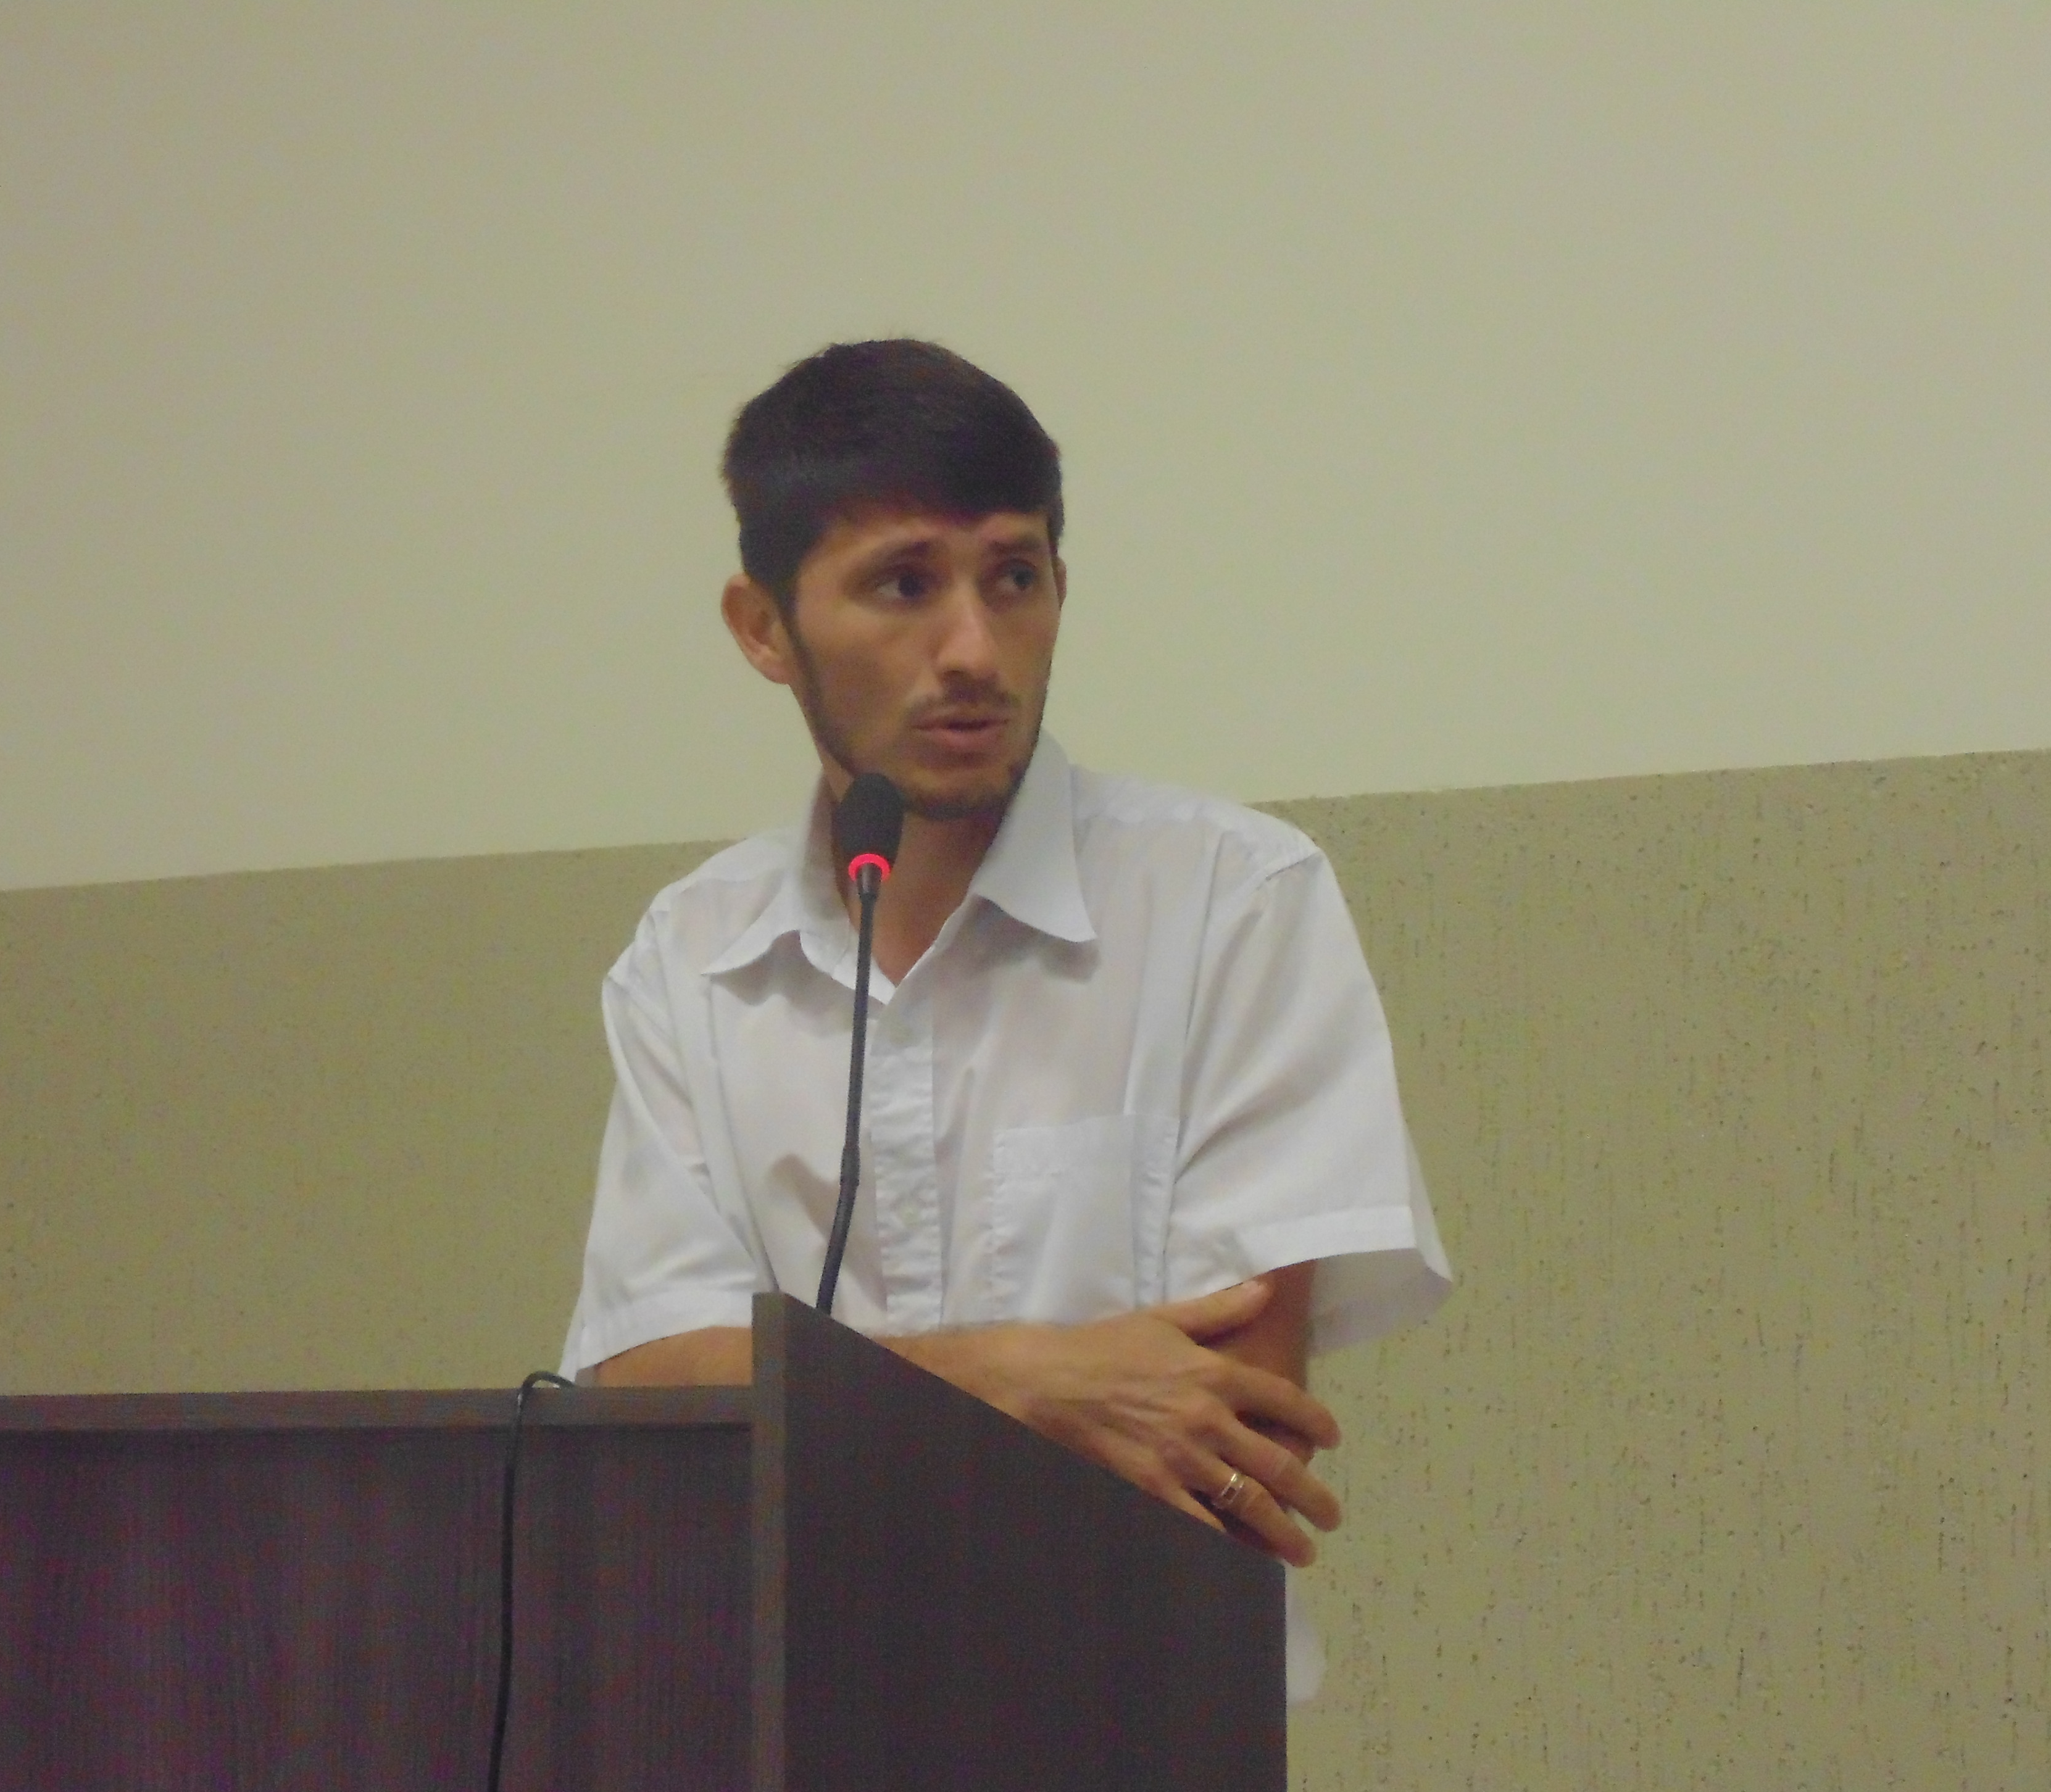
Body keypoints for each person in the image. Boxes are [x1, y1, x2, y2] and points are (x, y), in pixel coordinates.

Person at [557, 338, 1451, 1700]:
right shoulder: (691, 956)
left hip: (1133, 1706)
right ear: (762, 628)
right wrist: (1025, 1378)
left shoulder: (1232, 901)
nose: (974, 650)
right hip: (784, 1714)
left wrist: (836, 1397)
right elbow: (651, 1390)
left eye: (1014, 578)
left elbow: (1230, 1433)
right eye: (904, 584)